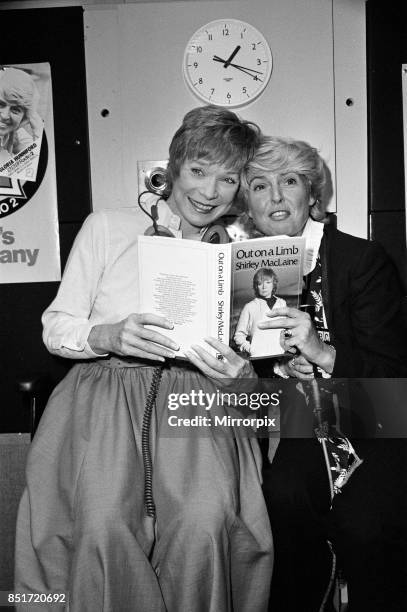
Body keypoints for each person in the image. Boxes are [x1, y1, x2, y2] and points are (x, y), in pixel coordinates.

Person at [15, 106, 273, 612]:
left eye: (227, 179)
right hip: (106, 396)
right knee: (102, 524)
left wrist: (242, 372)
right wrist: (109, 334)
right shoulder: (108, 226)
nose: (208, 192)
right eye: (198, 171)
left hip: (199, 401)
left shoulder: (246, 252)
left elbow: (258, 366)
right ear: (173, 165)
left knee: (204, 523)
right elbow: (56, 326)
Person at [241, 135, 407, 611]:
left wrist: (322, 352)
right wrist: (275, 368)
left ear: (312, 195)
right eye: (259, 185)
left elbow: (394, 374)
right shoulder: (244, 270)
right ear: (247, 204)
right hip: (303, 422)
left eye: (288, 181)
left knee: (365, 524)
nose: (275, 197)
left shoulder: (362, 261)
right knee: (282, 500)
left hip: (376, 420)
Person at [234, 268, 286, 357]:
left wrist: (286, 346)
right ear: (256, 286)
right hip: (258, 357)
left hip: (281, 356)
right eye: (260, 283)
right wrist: (251, 349)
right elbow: (239, 335)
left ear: (274, 284)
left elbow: (287, 329)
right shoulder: (250, 306)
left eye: (268, 282)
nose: (264, 287)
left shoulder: (282, 303)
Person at [0, 67, 42, 164]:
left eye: (15, 110)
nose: (5, 116)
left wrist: (38, 130)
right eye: (0, 104)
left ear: (24, 117)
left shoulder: (15, 132)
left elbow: (35, 160)